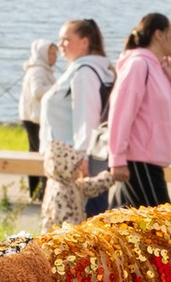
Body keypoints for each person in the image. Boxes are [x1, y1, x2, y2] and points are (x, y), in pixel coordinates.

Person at [101, 12, 171, 210]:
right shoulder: (138, 65)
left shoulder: (159, 70)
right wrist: (117, 159)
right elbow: (120, 112)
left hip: (150, 163)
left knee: (125, 222)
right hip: (138, 161)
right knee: (161, 222)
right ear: (159, 35)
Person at [35, 19, 113, 231]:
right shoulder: (81, 69)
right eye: (60, 39)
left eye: (66, 39)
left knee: (77, 228)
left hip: (74, 166)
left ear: (85, 42)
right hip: (66, 165)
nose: (60, 44)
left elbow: (87, 117)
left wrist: (83, 159)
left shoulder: (84, 73)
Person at [17, 34, 58, 161]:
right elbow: (37, 91)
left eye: (55, 54)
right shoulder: (38, 70)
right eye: (51, 54)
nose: (55, 57)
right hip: (33, 116)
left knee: (36, 149)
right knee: (36, 151)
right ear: (43, 54)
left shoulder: (44, 69)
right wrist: (57, 88)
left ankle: (34, 173)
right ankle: (33, 174)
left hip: (35, 115)